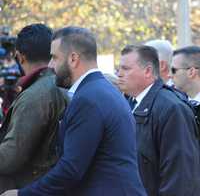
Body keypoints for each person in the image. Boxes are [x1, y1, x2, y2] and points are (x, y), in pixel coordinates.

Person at [1, 26, 147, 196]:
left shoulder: (88, 99)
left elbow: (70, 170)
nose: (50, 65)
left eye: (54, 58)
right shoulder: (104, 90)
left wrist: (22, 194)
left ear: (73, 59)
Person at [117, 45, 200, 196]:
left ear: (148, 71)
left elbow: (180, 176)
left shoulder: (171, 108)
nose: (119, 74)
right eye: (119, 68)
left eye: (126, 68)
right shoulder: (130, 103)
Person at [0, 24, 67, 193]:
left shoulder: (35, 95)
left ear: (20, 57)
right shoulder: (58, 84)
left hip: (28, 186)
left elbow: (10, 158)